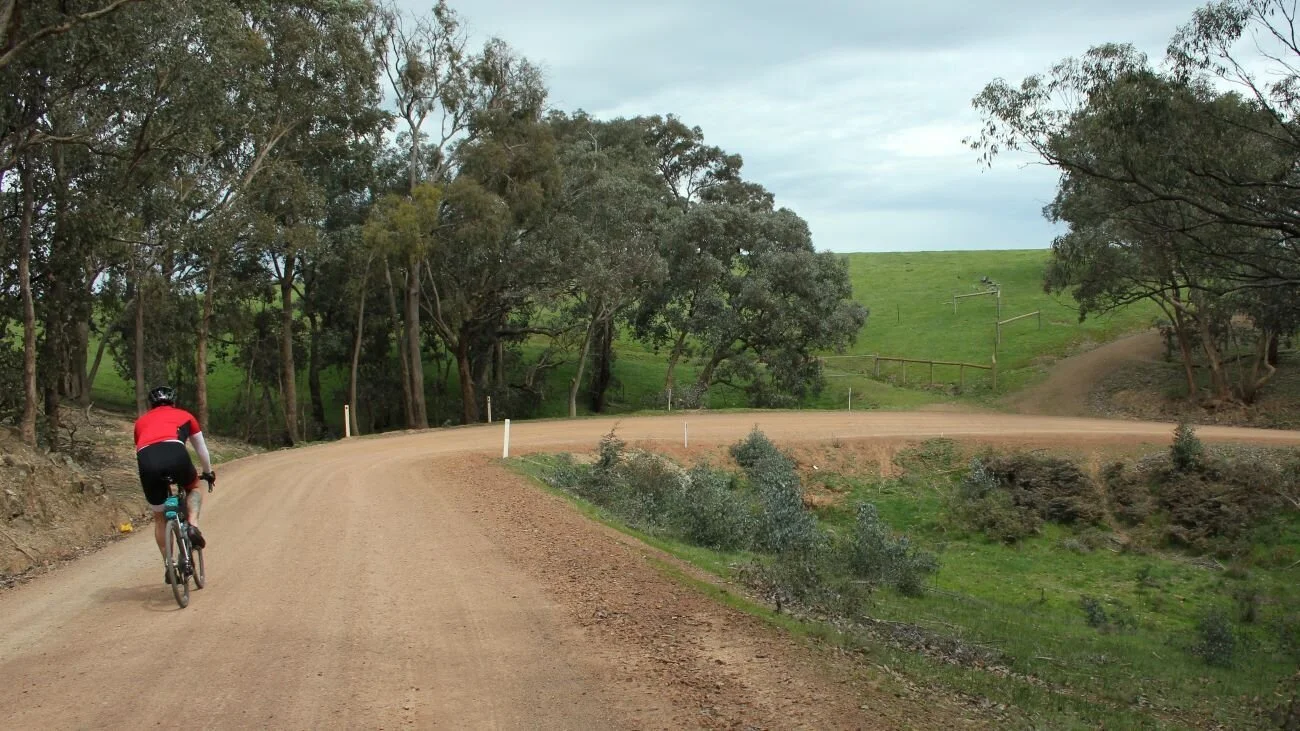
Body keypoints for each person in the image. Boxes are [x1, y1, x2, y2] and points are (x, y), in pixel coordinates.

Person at [133, 385, 216, 583]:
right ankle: (193, 526)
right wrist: (208, 472)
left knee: (160, 517)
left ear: (151, 404)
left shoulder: (140, 422)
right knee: (193, 487)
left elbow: (140, 446)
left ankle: (169, 565)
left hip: (147, 460)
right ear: (173, 402)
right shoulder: (185, 416)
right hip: (175, 453)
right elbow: (201, 450)